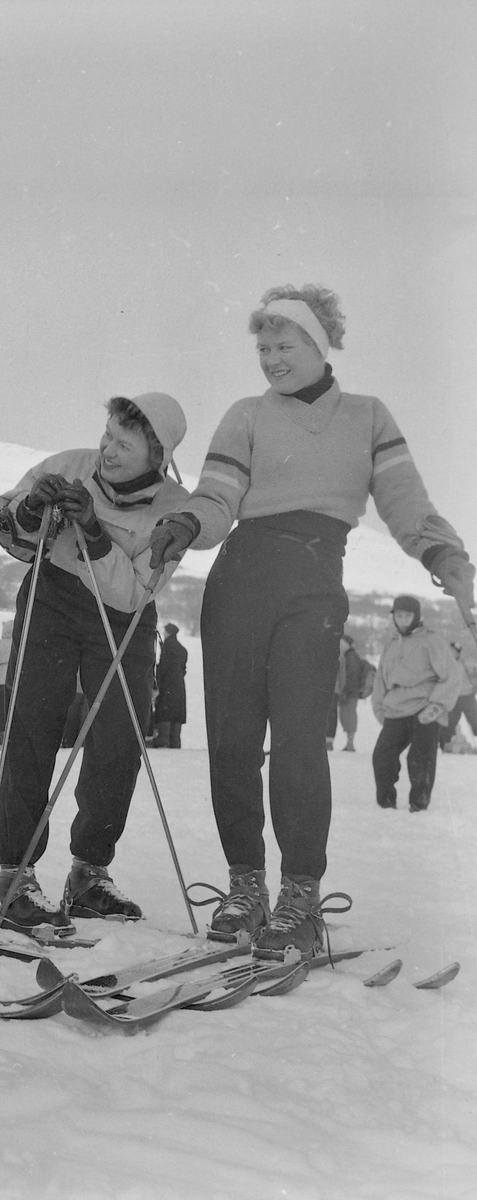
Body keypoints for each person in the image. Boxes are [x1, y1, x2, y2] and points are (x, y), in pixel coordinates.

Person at [150, 283, 474, 958]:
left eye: (283, 344)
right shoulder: (245, 415)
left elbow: (405, 501)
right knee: (234, 741)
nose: (270, 358)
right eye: (262, 347)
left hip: (312, 580)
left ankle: (299, 893)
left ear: (317, 343)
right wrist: (184, 522)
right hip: (238, 578)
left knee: (299, 740)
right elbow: (217, 496)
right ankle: (245, 887)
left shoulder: (365, 417)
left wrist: (442, 553)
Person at [0, 392, 190, 935]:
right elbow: (9, 529)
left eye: (124, 445)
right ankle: (15, 875)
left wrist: (97, 535)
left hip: (124, 617)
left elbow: (132, 592)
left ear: (157, 452)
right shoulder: (68, 465)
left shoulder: (175, 506)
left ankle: (89, 873)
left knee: (118, 740)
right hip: (53, 598)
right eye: (108, 436)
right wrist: (32, 511)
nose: (108, 450)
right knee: (32, 725)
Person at [371, 596, 463, 811]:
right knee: (382, 756)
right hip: (395, 709)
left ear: (416, 617)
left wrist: (436, 706)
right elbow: (380, 681)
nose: (403, 620)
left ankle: (418, 805)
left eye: (407, 615)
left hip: (425, 708)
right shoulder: (391, 643)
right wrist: (379, 706)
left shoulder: (431, 641)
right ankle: (386, 804)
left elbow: (451, 675)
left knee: (420, 758)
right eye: (399, 615)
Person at [327, 634, 369, 752]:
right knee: (344, 717)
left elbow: (351, 676)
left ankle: (350, 744)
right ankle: (349, 743)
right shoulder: (348, 656)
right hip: (348, 692)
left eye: (342, 643)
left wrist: (344, 690)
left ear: (347, 645)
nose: (339, 645)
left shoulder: (350, 657)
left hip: (350, 693)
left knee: (348, 717)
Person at [150, 622, 187, 748]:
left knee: (165, 711)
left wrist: (156, 685)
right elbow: (182, 668)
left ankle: (163, 740)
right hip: (179, 686)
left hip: (167, 685)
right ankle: (175, 742)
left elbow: (163, 669)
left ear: (168, 632)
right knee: (176, 713)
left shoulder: (167, 648)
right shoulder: (182, 649)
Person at [440, 642, 477, 751]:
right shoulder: (445, 665)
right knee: (449, 722)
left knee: (474, 720)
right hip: (453, 698)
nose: (451, 653)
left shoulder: (464, 663)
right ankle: (444, 744)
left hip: (467, 696)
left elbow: (473, 675)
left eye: (454, 651)